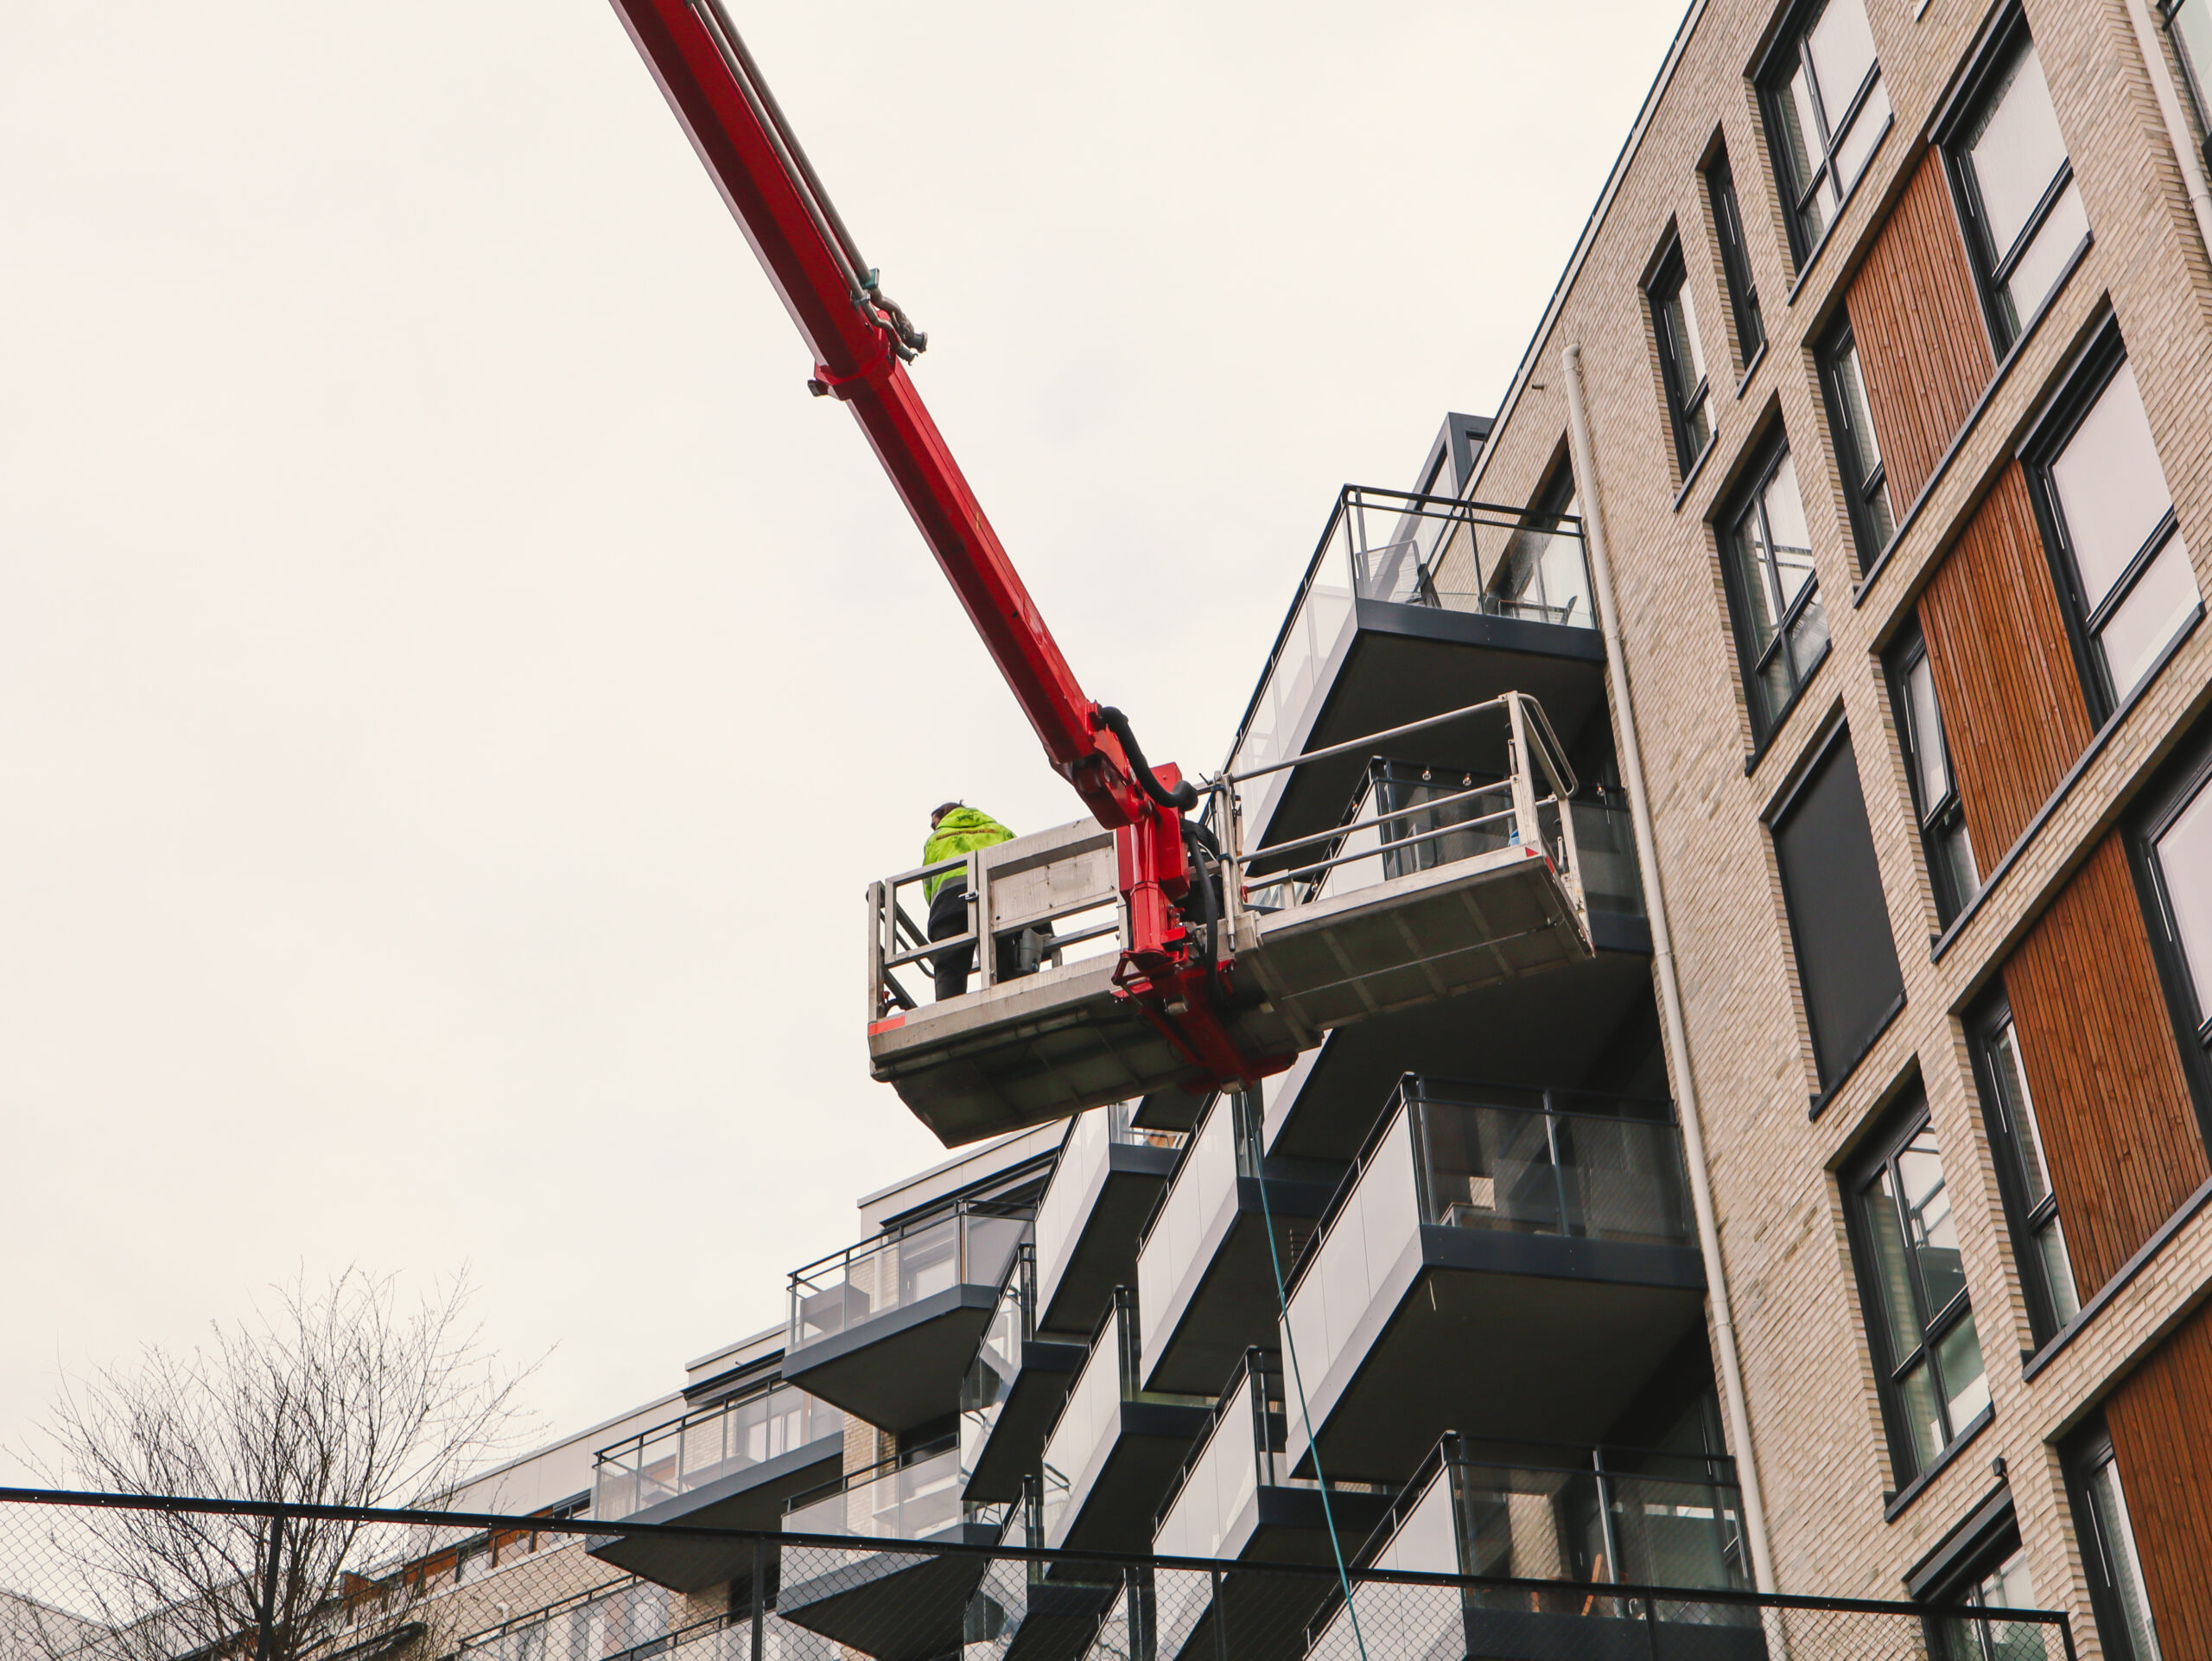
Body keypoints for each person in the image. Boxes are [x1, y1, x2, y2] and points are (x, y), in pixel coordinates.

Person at [923, 802, 1014, 1001]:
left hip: (950, 904)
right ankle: (1010, 1000)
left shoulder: (936, 839)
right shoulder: (999, 830)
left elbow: (929, 886)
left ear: (942, 816)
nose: (934, 828)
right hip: (998, 900)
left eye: (934, 823)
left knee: (950, 969)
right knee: (1003, 961)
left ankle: (948, 1013)